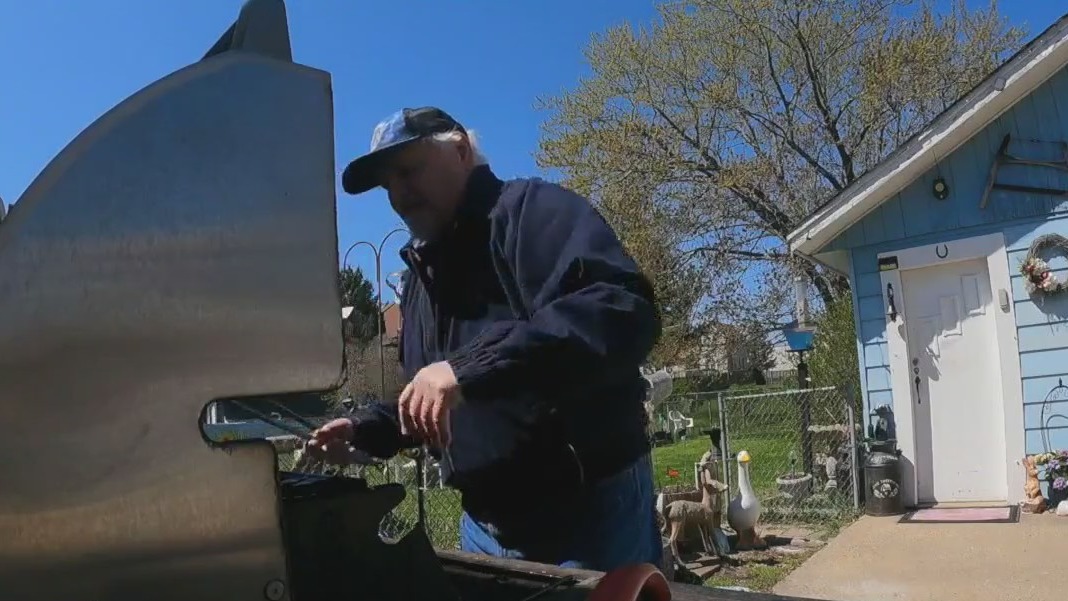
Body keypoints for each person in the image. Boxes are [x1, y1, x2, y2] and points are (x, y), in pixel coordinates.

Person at [307, 106, 663, 571]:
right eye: (387, 184)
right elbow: (435, 394)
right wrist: (366, 429)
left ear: (460, 150)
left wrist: (467, 369)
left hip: (586, 517)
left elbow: (622, 310)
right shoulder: (420, 278)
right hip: (481, 525)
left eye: (408, 171)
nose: (398, 195)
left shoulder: (533, 213)